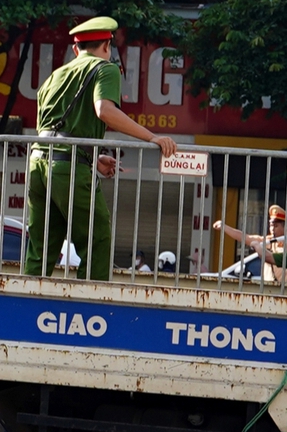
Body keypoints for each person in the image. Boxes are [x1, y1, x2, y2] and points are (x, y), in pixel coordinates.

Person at [22, 17, 176, 280]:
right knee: (97, 238)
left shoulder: (54, 76)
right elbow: (104, 110)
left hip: (38, 164)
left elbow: (51, 130)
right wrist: (151, 137)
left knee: (42, 246)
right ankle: (90, 304)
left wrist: (92, 157)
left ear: (75, 50)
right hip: (68, 170)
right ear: (107, 46)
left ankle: (24, 303)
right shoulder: (105, 69)